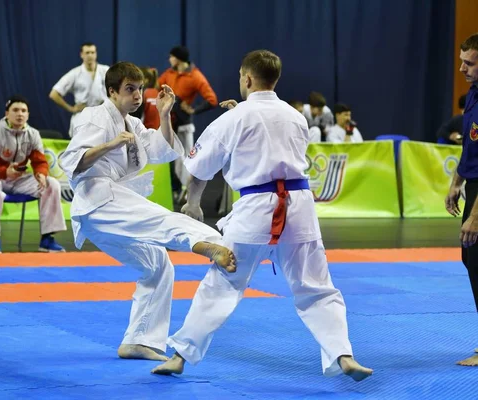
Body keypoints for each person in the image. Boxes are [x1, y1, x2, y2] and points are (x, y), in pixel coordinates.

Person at [152, 50, 372, 381]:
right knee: (317, 287)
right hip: (300, 207)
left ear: (247, 79)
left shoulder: (233, 118)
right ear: (275, 80)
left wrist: (194, 205)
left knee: (222, 282)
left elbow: (199, 170)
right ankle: (343, 354)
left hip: (256, 208)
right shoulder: (296, 117)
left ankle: (180, 356)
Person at [59, 62, 236, 362]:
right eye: (130, 89)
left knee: (158, 265)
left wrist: (165, 115)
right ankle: (210, 242)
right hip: (99, 197)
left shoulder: (133, 124)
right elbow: (73, 160)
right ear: (112, 91)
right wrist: (110, 144)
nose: (138, 95)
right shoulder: (96, 117)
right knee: (163, 220)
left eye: (140, 89)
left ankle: (139, 340)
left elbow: (162, 149)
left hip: (105, 212)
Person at [0, 95, 67, 253]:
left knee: (52, 184)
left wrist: (41, 173)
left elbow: (40, 162)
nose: (20, 114)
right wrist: (4, 172)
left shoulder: (33, 134)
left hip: (18, 180)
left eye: (24, 111)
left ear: (28, 115)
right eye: (15, 110)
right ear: (7, 114)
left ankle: (47, 238)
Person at [445, 32, 478, 367]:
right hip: (473, 187)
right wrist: (456, 182)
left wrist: (475, 216)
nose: (462, 68)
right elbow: (470, 149)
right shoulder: (472, 95)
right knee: (472, 262)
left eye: (469, 63)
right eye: (460, 60)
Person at [159, 46, 218, 201]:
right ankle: (178, 190)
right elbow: (155, 88)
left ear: (178, 59)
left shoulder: (195, 76)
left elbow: (212, 100)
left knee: (185, 160)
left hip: (184, 125)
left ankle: (188, 192)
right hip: (170, 124)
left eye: (171, 57)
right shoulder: (168, 74)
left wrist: (193, 110)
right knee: (172, 159)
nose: (169, 60)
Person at [49, 43, 109, 138]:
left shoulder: (106, 71)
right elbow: (54, 94)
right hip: (82, 116)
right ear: (81, 54)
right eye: (87, 52)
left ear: (96, 54)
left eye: (92, 52)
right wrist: (71, 108)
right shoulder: (75, 73)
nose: (90, 55)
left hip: (103, 116)